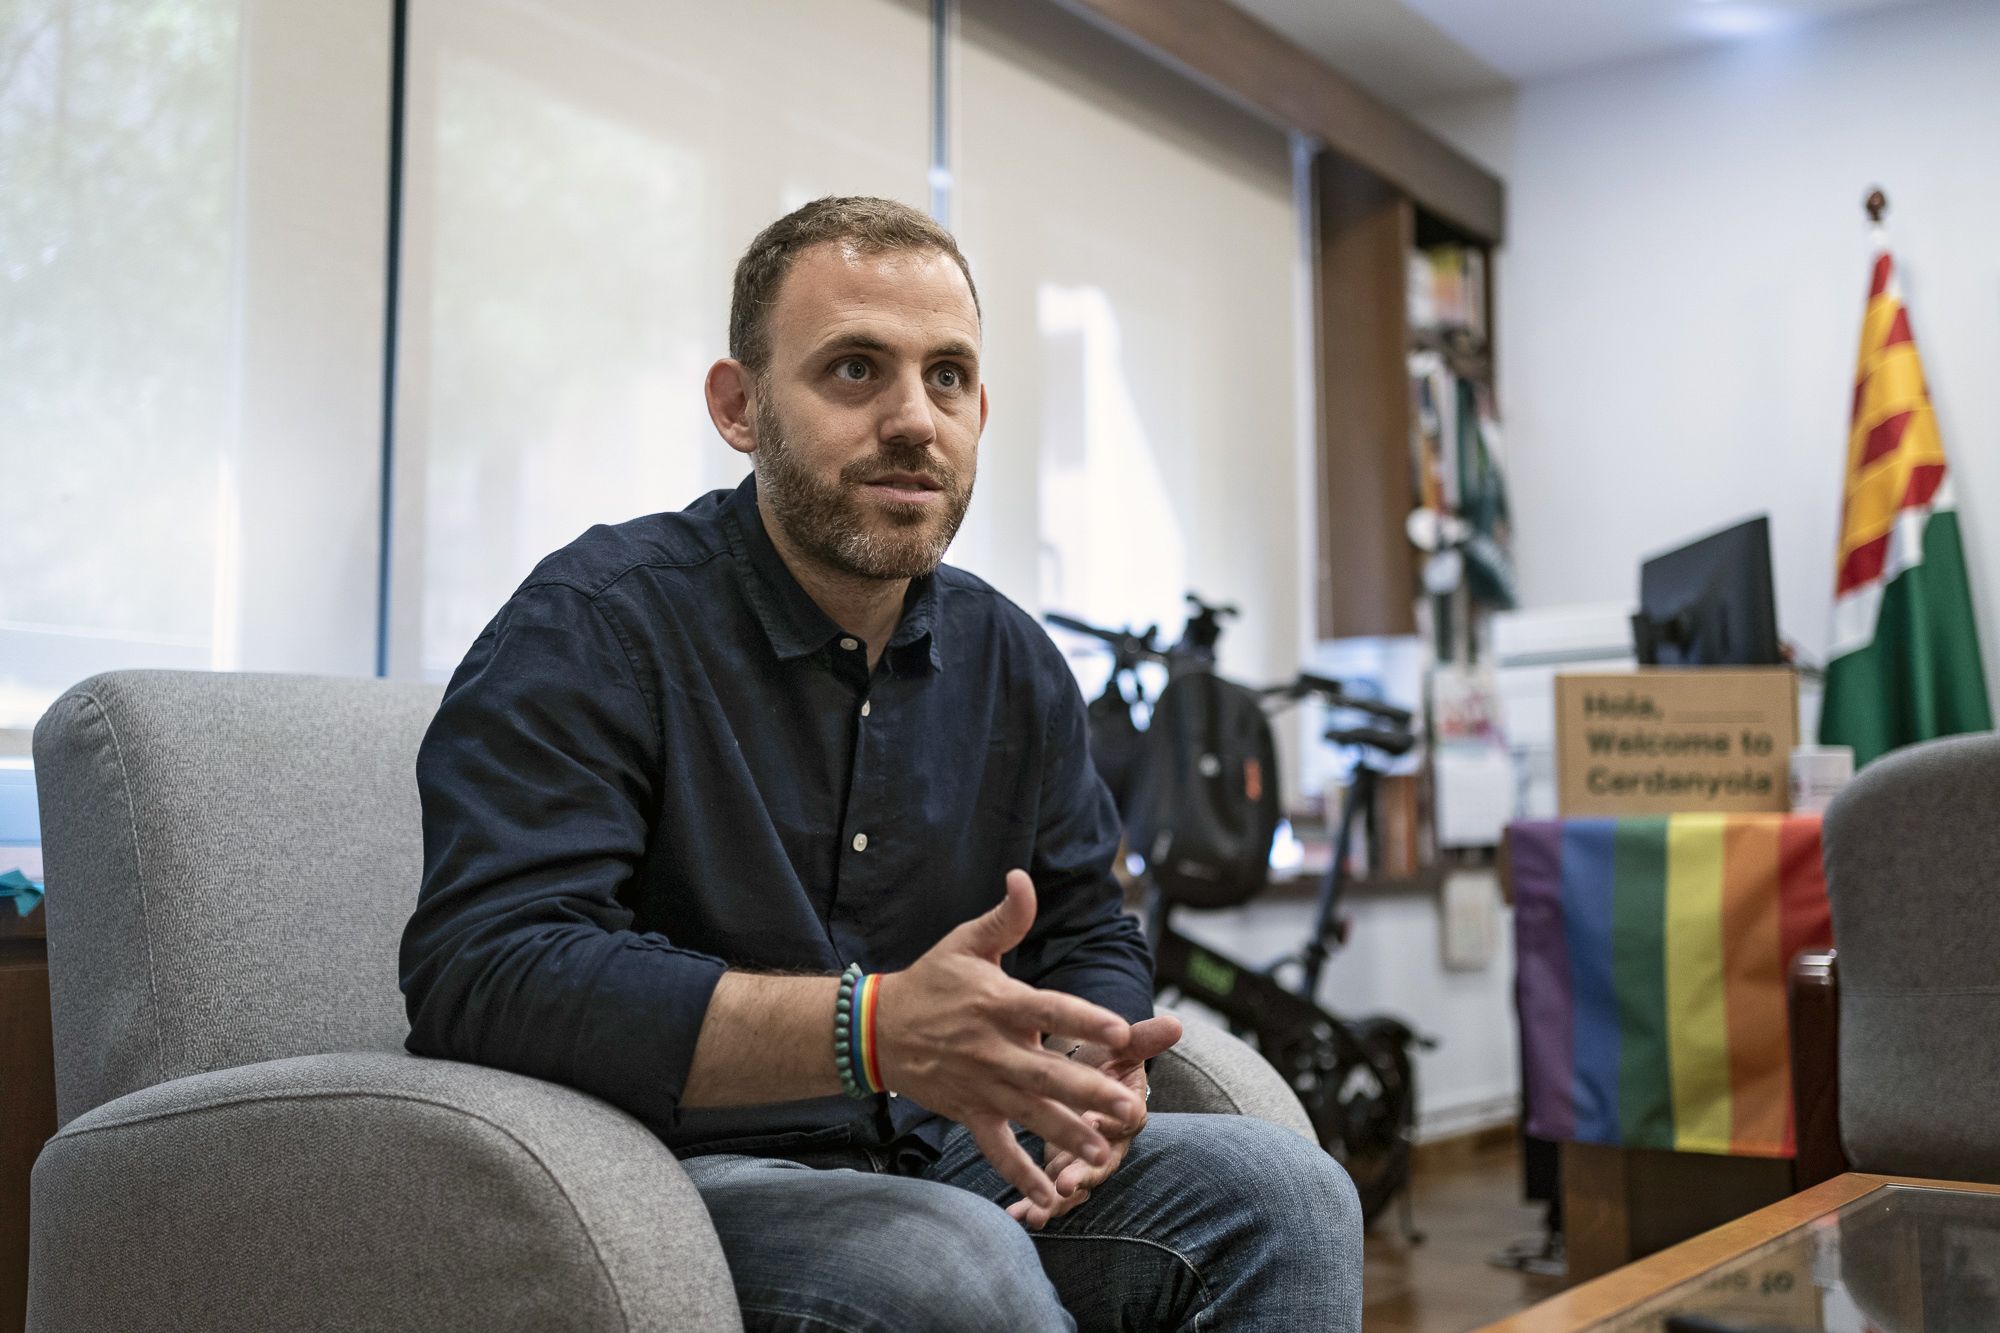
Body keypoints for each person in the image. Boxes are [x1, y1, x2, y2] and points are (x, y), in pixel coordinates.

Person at [400, 195, 1361, 1332]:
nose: (914, 419)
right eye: (855, 370)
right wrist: (867, 1026)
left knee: (1289, 1198)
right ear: (738, 405)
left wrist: (1089, 1072)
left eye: (947, 376)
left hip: (944, 1157)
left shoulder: (1010, 658)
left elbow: (1086, 922)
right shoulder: (593, 624)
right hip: (673, 1177)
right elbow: (485, 970)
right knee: (949, 1270)